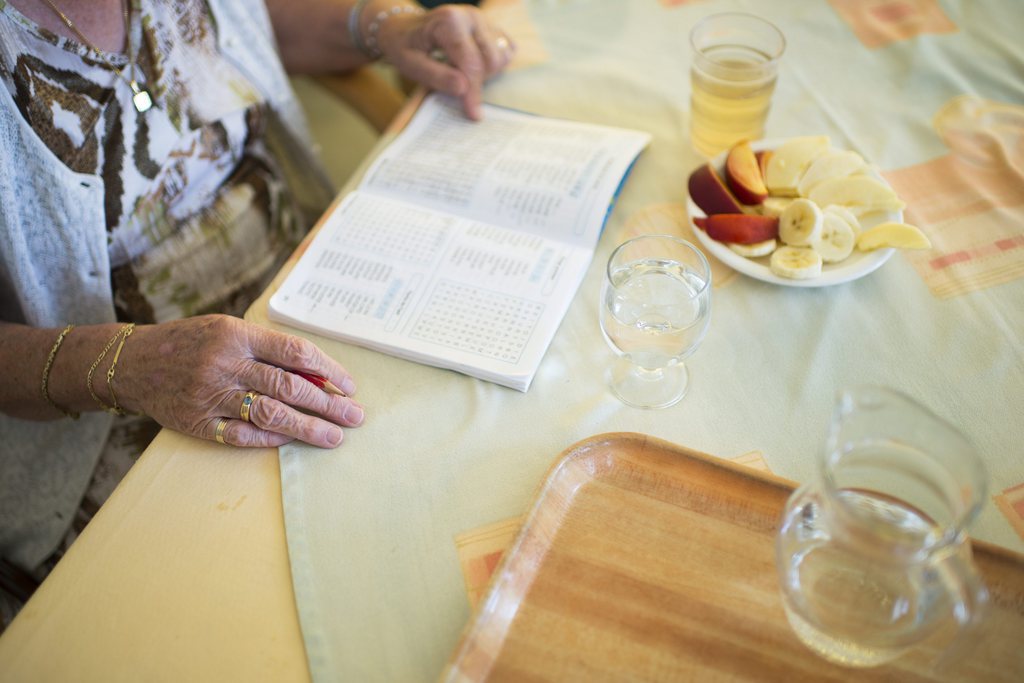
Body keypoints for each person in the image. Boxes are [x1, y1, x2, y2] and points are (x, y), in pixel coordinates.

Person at [0, 0, 514, 626]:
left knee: (483, 485)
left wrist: (383, 27)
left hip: (316, 297)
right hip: (118, 418)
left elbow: (245, 18)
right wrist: (131, 364)